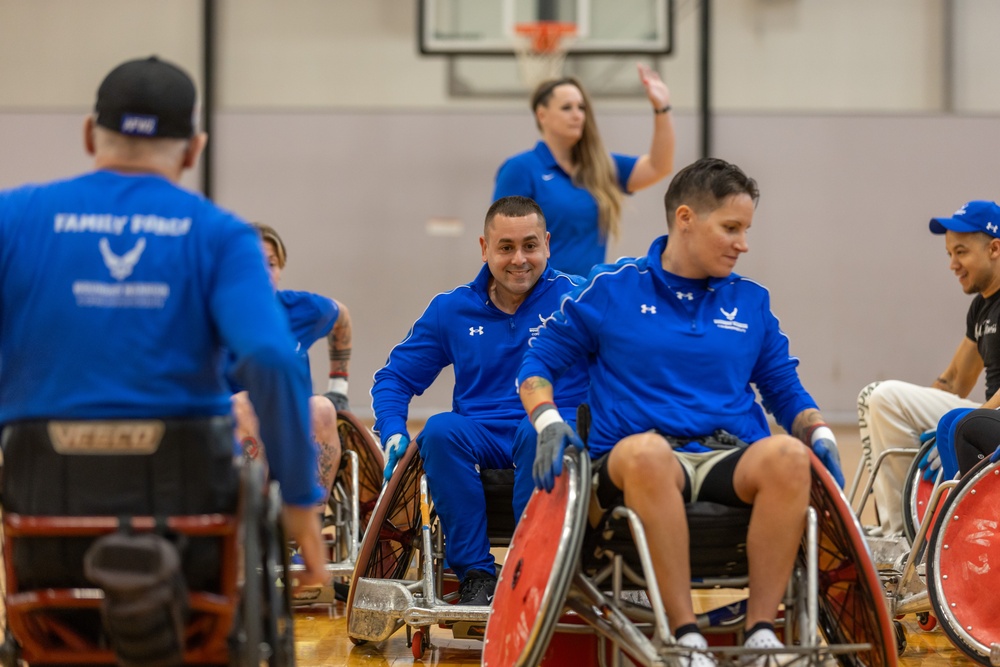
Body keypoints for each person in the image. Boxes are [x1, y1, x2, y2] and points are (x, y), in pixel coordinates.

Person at [0, 57, 326, 587]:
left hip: (43, 511)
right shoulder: (220, 235)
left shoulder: (12, 218)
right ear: (195, 149)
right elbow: (269, 357)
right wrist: (298, 501)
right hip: (182, 519)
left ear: (89, 133)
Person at [517, 157, 844, 667]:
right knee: (648, 453)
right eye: (731, 228)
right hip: (632, 466)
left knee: (787, 457)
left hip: (723, 459)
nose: (743, 244)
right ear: (686, 219)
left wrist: (818, 432)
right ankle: (683, 637)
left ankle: (761, 637)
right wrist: (548, 421)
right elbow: (537, 364)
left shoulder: (751, 302)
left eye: (746, 230)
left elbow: (784, 390)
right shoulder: (611, 289)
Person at [371, 195, 588, 606]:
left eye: (530, 245)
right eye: (506, 247)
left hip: (548, 430)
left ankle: (531, 565)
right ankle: (476, 576)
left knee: (535, 429)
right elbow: (394, 378)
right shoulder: (451, 310)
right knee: (438, 430)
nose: (519, 259)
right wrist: (394, 430)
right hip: (483, 437)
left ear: (547, 244)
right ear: (484, 249)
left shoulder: (577, 300)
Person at [857, 200, 1000, 537]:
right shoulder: (981, 307)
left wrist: (964, 424)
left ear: (995, 248)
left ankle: (906, 537)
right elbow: (953, 383)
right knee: (880, 402)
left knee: (882, 397)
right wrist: (921, 419)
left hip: (993, 416)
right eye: (949, 254)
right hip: (988, 412)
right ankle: (903, 534)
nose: (952, 264)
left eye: (961, 252)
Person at [492, 64, 675, 277]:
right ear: (542, 115)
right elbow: (500, 241)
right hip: (537, 296)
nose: (578, 115)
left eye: (581, 107)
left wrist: (662, 108)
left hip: (585, 296)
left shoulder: (598, 166)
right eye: (567, 108)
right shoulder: (520, 169)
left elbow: (658, 166)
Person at [232, 222, 354, 505]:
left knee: (323, 407)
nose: (263, 272)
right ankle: (257, 519)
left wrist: (338, 383)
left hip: (289, 428)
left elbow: (342, 318)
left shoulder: (301, 309)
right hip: (231, 432)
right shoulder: (217, 313)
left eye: (271, 264)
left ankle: (310, 517)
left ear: (280, 269)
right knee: (242, 404)